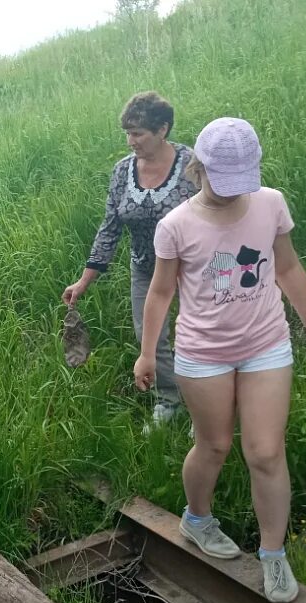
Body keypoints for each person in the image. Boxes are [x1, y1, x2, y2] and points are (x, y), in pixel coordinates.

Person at [134, 117, 306, 603]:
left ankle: (273, 553)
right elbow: (159, 294)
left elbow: (286, 267)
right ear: (197, 167)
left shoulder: (270, 204)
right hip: (203, 353)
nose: (231, 194)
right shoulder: (175, 225)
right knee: (215, 445)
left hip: (266, 343)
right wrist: (146, 354)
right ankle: (197, 519)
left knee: (265, 451)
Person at [63, 91, 196, 429]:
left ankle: (205, 400)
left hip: (194, 266)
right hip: (146, 267)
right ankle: (170, 398)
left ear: (162, 129)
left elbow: (215, 213)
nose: (130, 141)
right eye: (127, 132)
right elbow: (109, 228)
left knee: (198, 332)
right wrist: (84, 280)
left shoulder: (192, 165)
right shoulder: (122, 172)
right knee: (147, 336)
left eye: (138, 133)